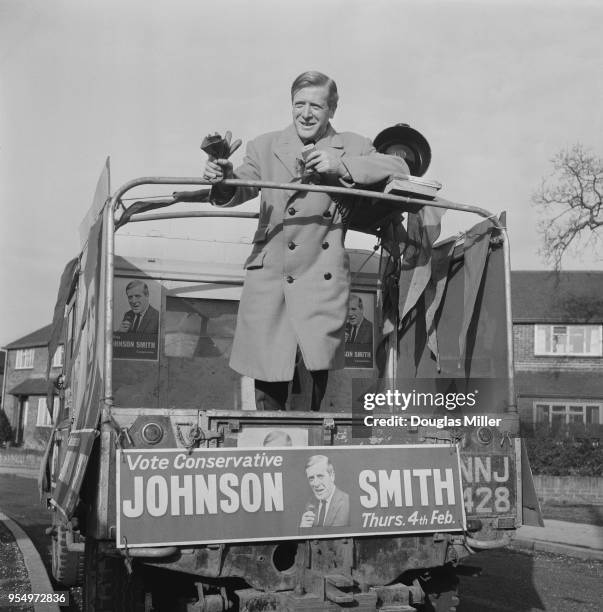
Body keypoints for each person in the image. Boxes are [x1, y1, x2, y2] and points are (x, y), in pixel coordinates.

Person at [203, 71, 408, 411]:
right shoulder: (264, 146)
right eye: (299, 104)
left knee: (311, 389)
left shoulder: (353, 145)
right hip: (270, 283)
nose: (306, 113)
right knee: (268, 388)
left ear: (332, 110)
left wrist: (340, 165)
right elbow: (238, 187)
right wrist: (221, 178)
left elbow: (399, 167)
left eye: (316, 105)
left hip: (320, 283)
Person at [299, 455, 349, 528]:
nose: (315, 484)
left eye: (320, 476)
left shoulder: (346, 502)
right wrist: (303, 529)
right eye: (311, 478)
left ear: (332, 476)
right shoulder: (310, 504)